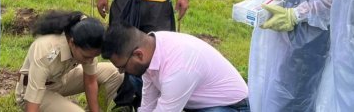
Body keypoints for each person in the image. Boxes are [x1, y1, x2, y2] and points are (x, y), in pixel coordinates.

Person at [102, 23, 249, 112]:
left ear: (138, 55)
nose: (121, 72)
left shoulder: (179, 67)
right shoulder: (150, 47)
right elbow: (148, 104)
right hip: (195, 101)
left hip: (230, 106)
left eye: (122, 66)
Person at [17, 11, 123, 112]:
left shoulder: (88, 41)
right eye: (86, 57)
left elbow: (90, 82)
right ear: (72, 43)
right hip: (33, 91)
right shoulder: (47, 52)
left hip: (61, 80)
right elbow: (34, 97)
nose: (90, 61)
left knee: (115, 74)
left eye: (94, 56)